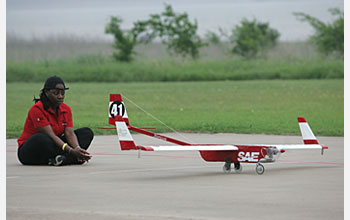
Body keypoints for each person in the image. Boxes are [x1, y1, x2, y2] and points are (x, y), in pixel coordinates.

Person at [17, 76, 94, 166]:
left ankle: (59, 159)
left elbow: (69, 133)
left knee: (86, 133)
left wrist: (77, 148)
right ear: (46, 92)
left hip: (55, 145)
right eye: (56, 93)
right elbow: (51, 136)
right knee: (41, 138)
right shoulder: (37, 109)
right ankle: (69, 158)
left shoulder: (66, 109)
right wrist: (71, 150)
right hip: (32, 150)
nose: (60, 97)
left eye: (62, 93)